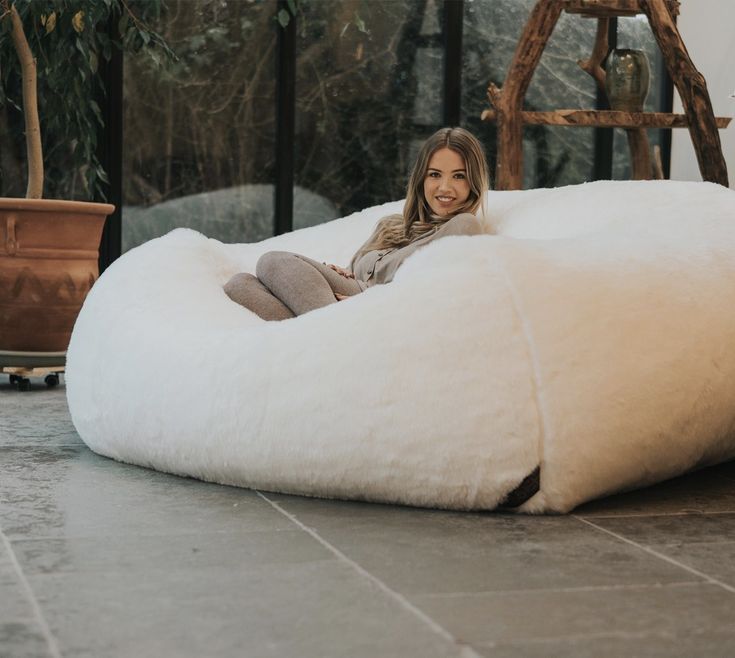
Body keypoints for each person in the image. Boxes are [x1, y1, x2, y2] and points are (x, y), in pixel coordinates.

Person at [224, 126, 490, 320]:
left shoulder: (463, 225)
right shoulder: (391, 226)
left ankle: (337, 327)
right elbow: (352, 272)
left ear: (474, 183)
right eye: (435, 174)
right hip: (343, 298)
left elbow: (433, 291)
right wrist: (339, 272)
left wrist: (369, 305)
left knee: (273, 261)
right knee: (240, 284)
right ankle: (320, 334)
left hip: (371, 308)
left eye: (459, 176)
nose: (445, 187)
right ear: (421, 178)